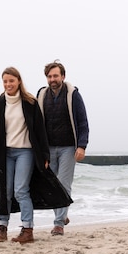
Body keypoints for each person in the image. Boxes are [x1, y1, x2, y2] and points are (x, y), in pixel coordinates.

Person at [0, 67, 69, 244]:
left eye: (11, 80)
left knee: (21, 190)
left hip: (26, 152)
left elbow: (40, 131)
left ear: (18, 81)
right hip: (5, 153)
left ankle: (27, 229)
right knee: (5, 190)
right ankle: (2, 228)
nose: (8, 84)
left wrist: (44, 155)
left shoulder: (30, 102)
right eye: (5, 81)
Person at [37, 60, 90, 236]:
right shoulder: (42, 95)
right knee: (51, 185)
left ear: (63, 76)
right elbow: (36, 124)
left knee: (63, 183)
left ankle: (58, 223)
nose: (53, 79)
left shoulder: (73, 94)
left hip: (68, 147)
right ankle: (63, 214)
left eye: (56, 76)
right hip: (48, 148)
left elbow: (82, 122)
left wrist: (82, 146)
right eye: (50, 76)